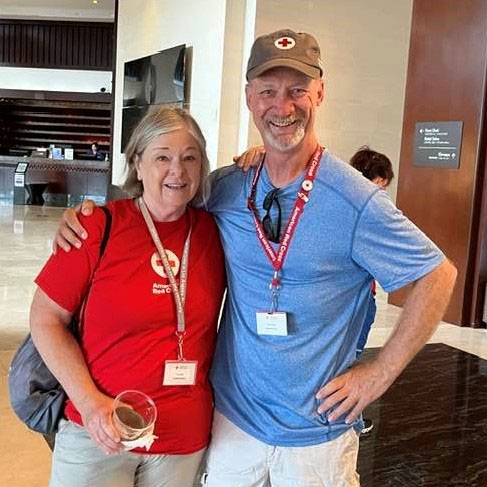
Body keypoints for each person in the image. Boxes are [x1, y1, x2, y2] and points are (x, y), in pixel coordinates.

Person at [54, 29, 457, 486]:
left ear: (320, 93)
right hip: (233, 423)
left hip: (316, 433)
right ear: (249, 97)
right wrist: (86, 217)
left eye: (297, 91)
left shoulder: (354, 200)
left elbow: (437, 274)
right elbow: (163, 196)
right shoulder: (227, 187)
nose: (282, 107)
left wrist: (379, 374)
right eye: (268, 91)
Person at [30, 107, 225, 487]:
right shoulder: (95, 228)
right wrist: (89, 404)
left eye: (190, 157)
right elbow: (45, 319)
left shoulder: (215, 232)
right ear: (137, 164)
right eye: (162, 157)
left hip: (182, 439)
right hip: (98, 432)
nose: (177, 171)